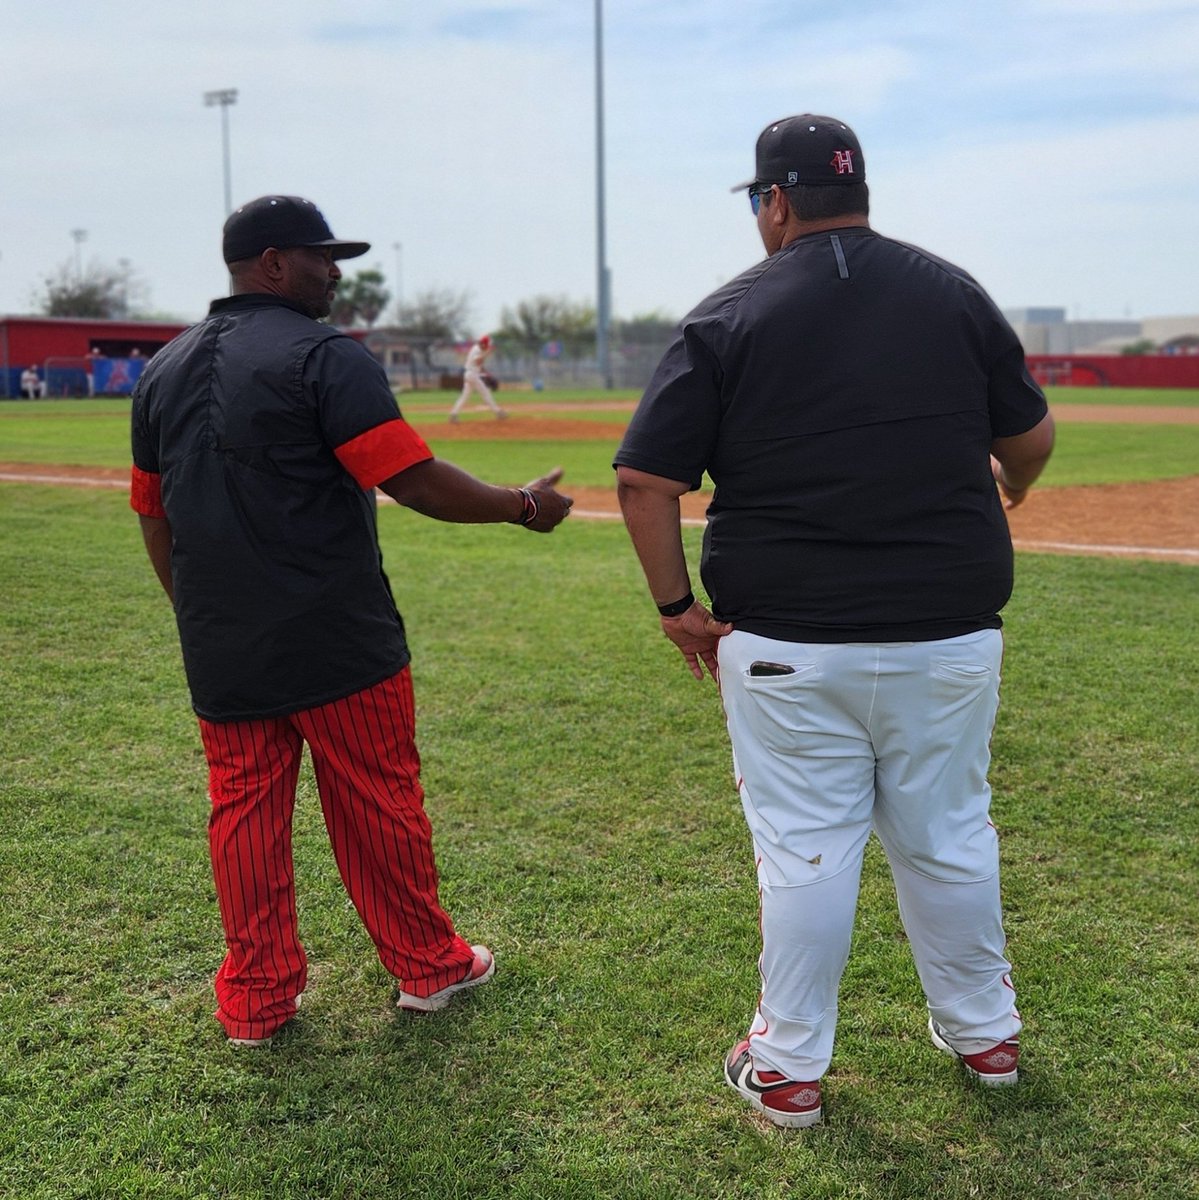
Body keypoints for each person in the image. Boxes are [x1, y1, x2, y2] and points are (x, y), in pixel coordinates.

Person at [614, 115, 1054, 1128]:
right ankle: (983, 1036)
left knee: (807, 852)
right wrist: (1006, 485)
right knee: (947, 835)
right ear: (858, 190)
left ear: (773, 201)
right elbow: (1027, 438)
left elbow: (645, 481)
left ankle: (787, 1067)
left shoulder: (730, 311)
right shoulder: (949, 290)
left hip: (786, 642)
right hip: (946, 633)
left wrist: (677, 610)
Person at [130, 194, 572, 1047]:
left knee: (244, 816)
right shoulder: (326, 356)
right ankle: (428, 966)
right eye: (320, 256)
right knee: (377, 802)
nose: (336, 272)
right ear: (270, 262)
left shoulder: (163, 368)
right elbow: (411, 480)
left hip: (225, 645)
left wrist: (197, 613)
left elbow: (154, 516)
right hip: (338, 639)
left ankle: (256, 1003)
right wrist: (525, 505)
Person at [449, 334, 507, 422]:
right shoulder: (477, 350)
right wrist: (488, 353)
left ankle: (453, 414)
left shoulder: (478, 347)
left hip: (470, 374)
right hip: (472, 375)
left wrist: (484, 371)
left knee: (465, 396)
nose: (487, 347)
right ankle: (498, 412)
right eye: (486, 345)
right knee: (485, 393)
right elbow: (478, 361)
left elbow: (479, 364)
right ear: (482, 344)